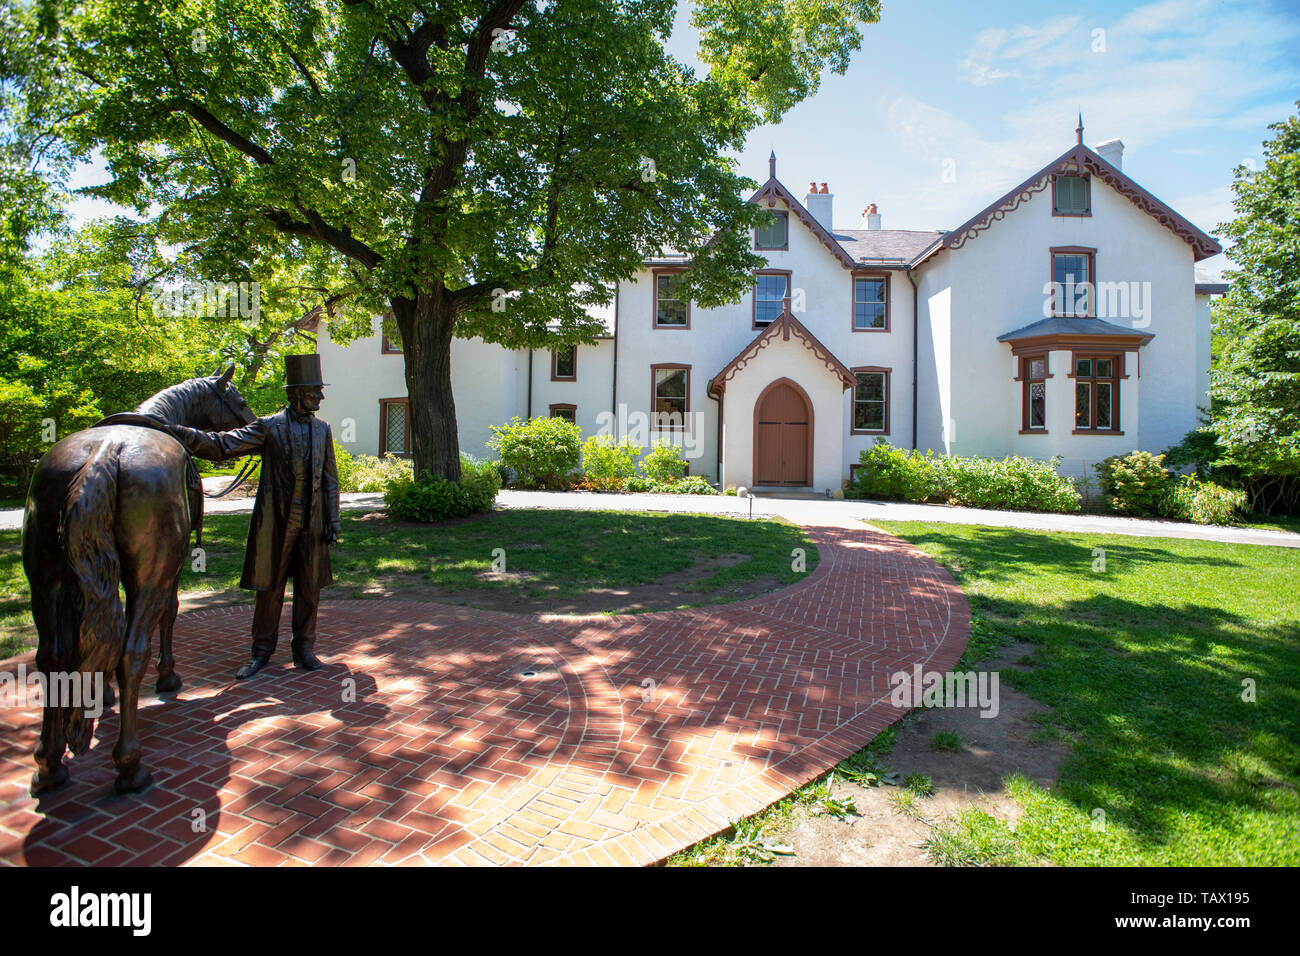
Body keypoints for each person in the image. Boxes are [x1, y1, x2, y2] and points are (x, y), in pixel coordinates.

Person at [169, 355, 340, 679]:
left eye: (320, 391)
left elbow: (329, 480)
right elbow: (221, 445)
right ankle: (261, 651)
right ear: (296, 392)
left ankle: (304, 647)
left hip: (312, 523)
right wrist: (176, 430)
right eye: (315, 390)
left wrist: (333, 521)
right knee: (270, 588)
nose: (320, 397)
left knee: (309, 588)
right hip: (277, 523)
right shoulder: (268, 426)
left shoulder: (323, 430)